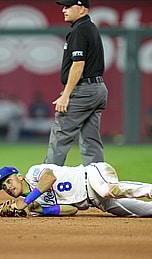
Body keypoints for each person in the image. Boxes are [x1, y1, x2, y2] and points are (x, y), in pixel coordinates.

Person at [0, 162, 152, 217]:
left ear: (19, 176)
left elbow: (49, 179)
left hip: (93, 176)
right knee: (145, 212)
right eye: (4, 187)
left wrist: (25, 202)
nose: (8, 187)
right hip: (96, 202)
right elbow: (72, 210)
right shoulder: (35, 206)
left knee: (108, 189)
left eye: (9, 180)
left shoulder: (34, 172)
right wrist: (38, 210)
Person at [44, 0, 108, 166]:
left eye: (68, 6)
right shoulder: (91, 27)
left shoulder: (80, 29)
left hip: (83, 90)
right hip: (98, 88)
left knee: (60, 137)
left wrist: (66, 95)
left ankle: (45, 186)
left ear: (81, 9)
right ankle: (98, 183)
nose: (63, 10)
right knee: (90, 140)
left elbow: (79, 64)